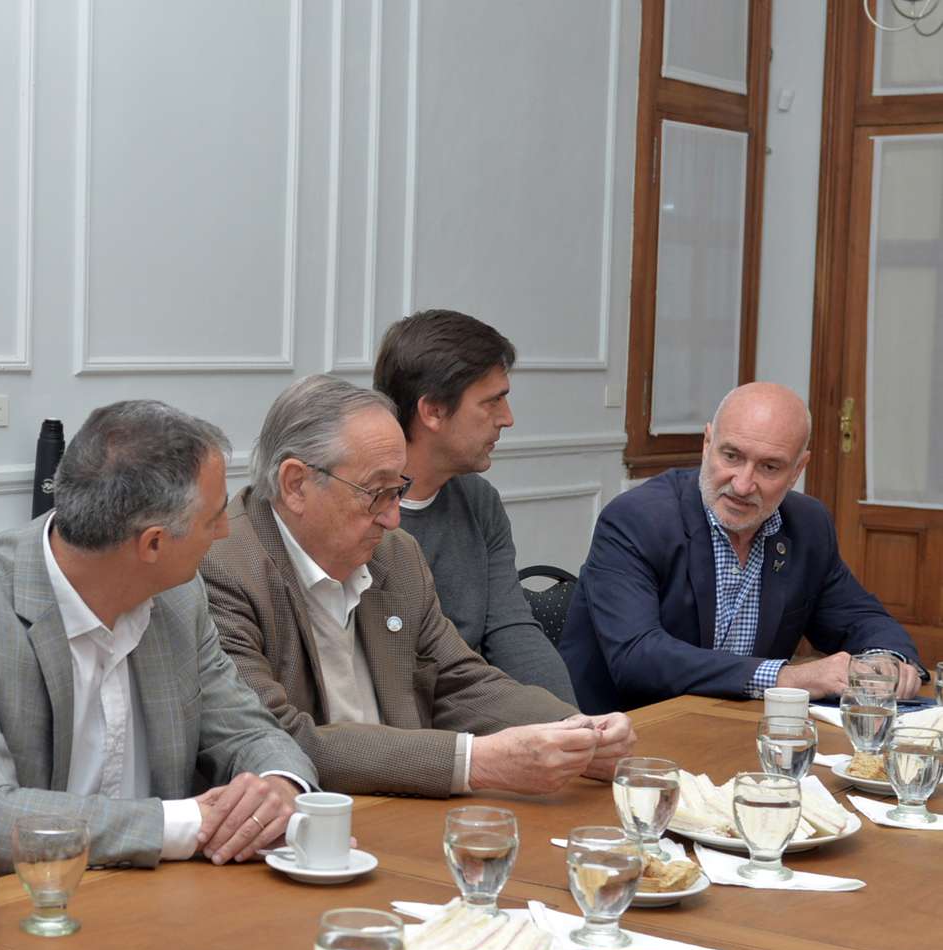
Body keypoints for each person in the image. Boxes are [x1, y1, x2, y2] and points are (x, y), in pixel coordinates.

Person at [0, 400, 318, 874]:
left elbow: (250, 731)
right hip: (17, 911)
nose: (223, 531)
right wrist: (186, 824)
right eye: (214, 516)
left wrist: (278, 789)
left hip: (162, 904)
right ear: (153, 543)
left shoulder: (178, 597)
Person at [200, 375, 634, 799]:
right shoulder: (223, 567)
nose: (393, 518)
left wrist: (577, 730)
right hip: (299, 830)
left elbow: (459, 681)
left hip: (404, 808)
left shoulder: (395, 554)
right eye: (377, 493)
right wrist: (473, 762)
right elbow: (276, 737)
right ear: (297, 484)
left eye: (399, 489)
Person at [560, 382, 923, 714]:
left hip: (735, 725)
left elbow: (860, 618)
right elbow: (637, 656)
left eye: (769, 467)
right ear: (707, 444)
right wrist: (786, 678)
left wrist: (884, 661)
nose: (743, 484)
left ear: (798, 469)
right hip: (629, 731)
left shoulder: (807, 525)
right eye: (731, 456)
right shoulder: (636, 520)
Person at [372, 308, 576, 705]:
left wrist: (574, 728)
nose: (508, 419)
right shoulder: (357, 512)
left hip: (470, 721)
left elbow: (511, 630)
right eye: (492, 402)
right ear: (432, 411)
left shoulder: (480, 501)